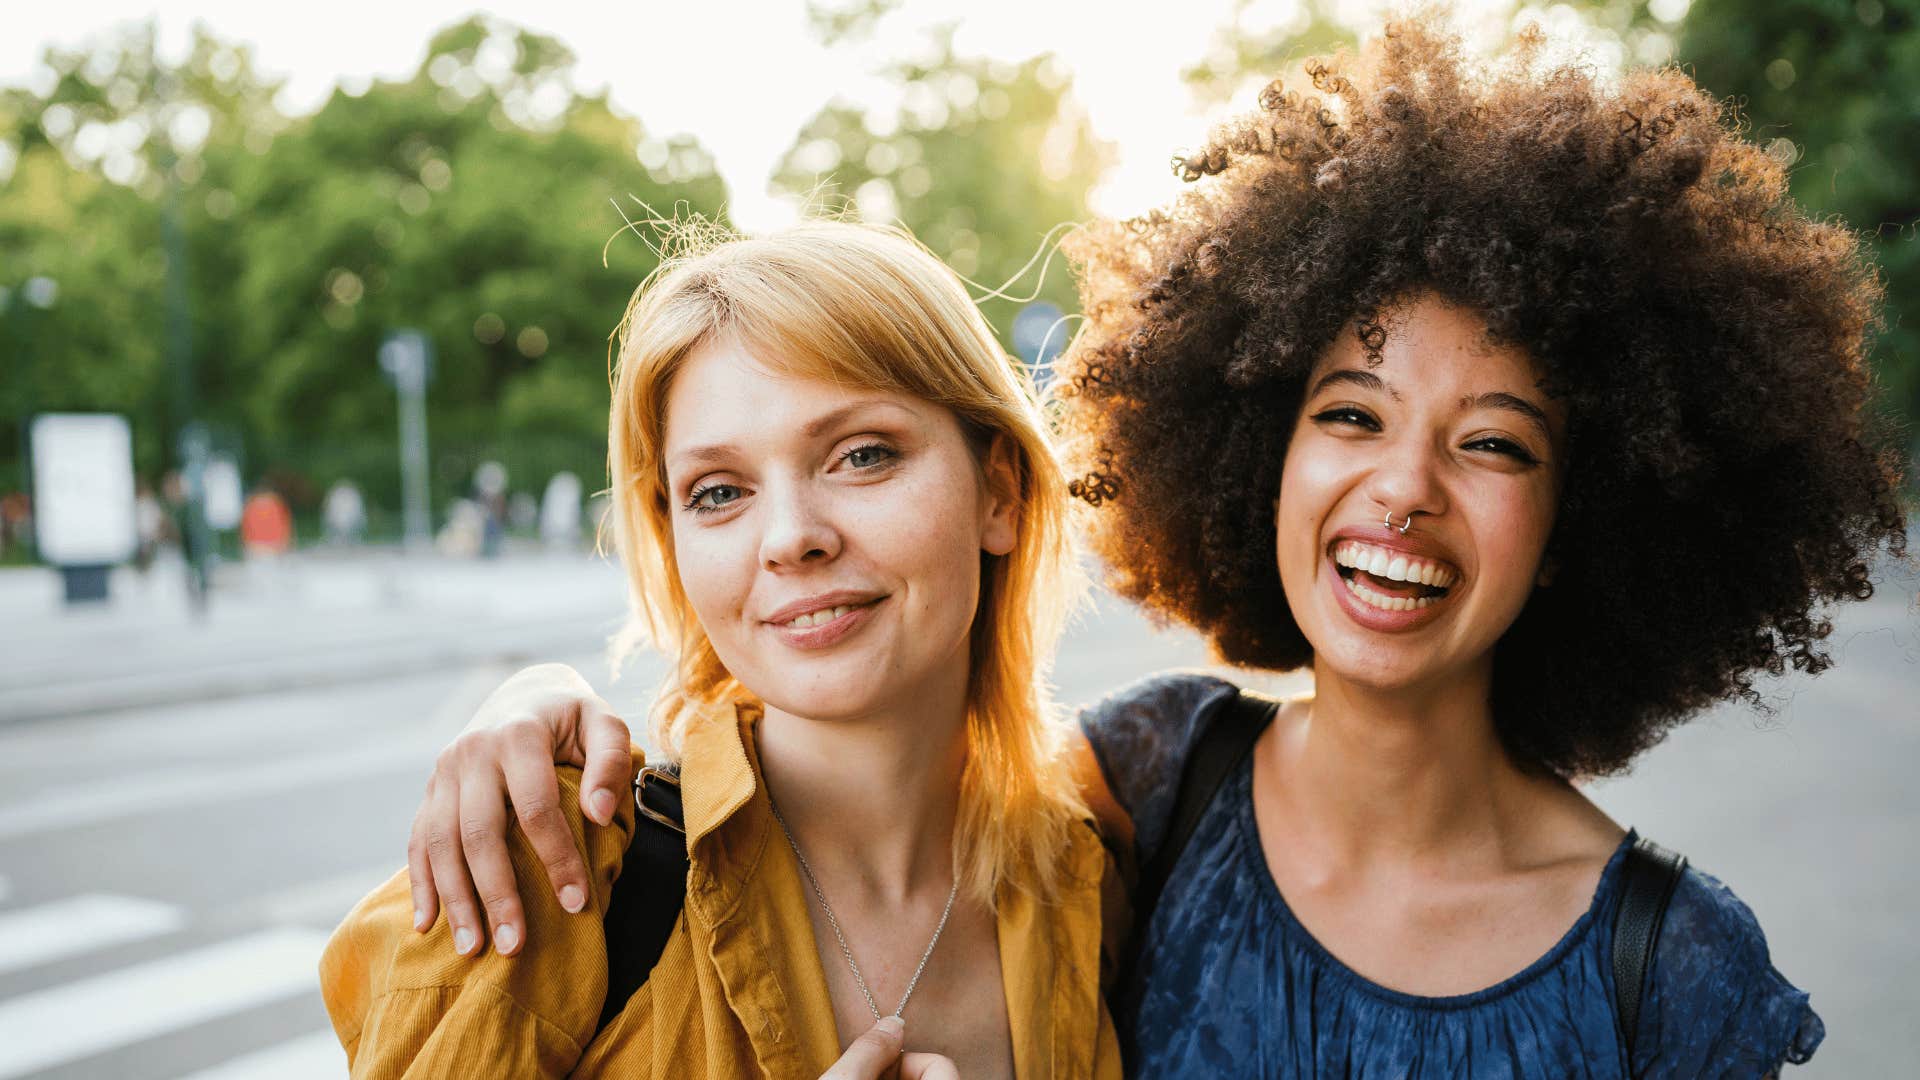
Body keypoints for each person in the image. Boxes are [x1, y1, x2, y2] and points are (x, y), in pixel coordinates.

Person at [397, 15, 1907, 1077]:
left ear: (1596, 514)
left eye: (1496, 441)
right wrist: (525, 701)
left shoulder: (1670, 966)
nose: (1405, 492)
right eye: (1350, 416)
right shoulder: (1150, 792)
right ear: (1256, 442)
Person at [318, 222, 1124, 1078]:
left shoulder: (1090, 876)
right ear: (673, 543)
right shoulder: (554, 863)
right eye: (719, 492)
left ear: (997, 492)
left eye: (862, 455)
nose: (789, 538)